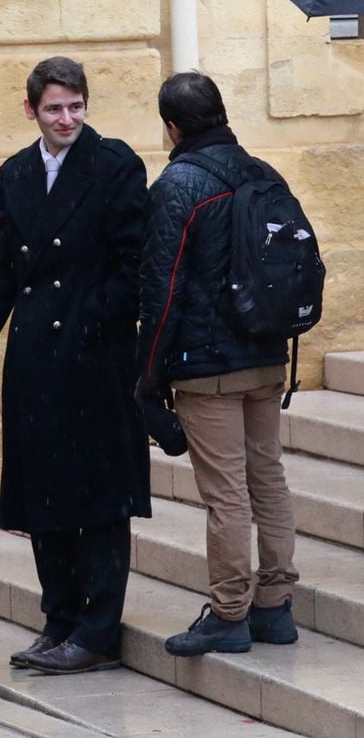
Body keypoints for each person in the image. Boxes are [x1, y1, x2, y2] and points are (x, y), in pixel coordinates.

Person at [0, 56, 151, 675]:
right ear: (31, 109)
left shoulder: (115, 165)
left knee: (101, 498)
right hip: (35, 361)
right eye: (55, 108)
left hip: (95, 360)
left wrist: (93, 322)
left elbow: (134, 265)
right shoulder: (15, 173)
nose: (67, 119)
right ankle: (58, 619)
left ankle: (97, 629)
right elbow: (4, 273)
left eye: (76, 107)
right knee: (46, 496)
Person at [137, 72, 299, 657]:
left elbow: (163, 288)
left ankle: (230, 613)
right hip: (265, 353)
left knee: (226, 494)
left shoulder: (179, 183)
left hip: (206, 366)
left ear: (173, 126)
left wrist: (149, 375)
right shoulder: (262, 171)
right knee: (268, 478)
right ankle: (276, 607)